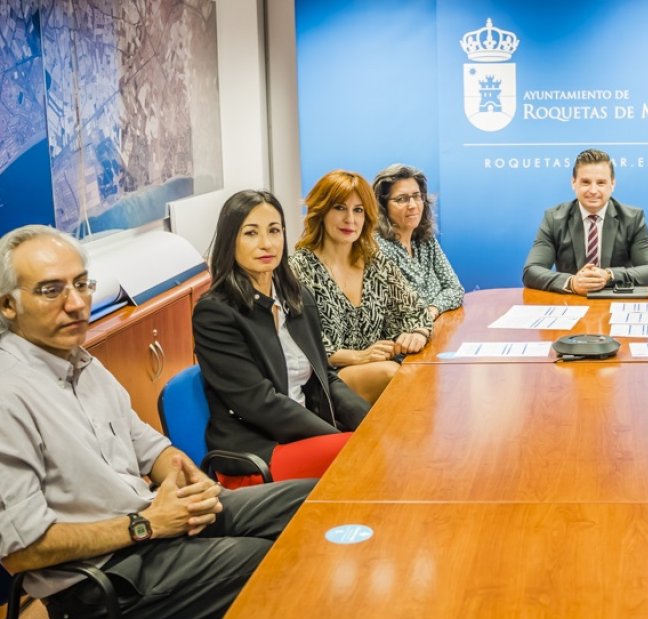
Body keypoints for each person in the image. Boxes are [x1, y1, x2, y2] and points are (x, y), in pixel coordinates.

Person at [0, 224, 313, 619]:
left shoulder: (81, 362)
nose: (76, 303)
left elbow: (152, 449)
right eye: (51, 290)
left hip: (152, 526)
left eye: (81, 284)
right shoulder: (9, 394)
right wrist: (146, 525)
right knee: (275, 557)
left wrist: (195, 487)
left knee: (314, 502)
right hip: (102, 582)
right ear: (8, 306)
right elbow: (21, 552)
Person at [193, 190, 370, 487]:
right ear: (230, 240)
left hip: (307, 435)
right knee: (364, 456)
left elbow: (324, 376)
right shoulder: (215, 313)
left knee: (384, 441)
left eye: (274, 231)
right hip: (259, 452)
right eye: (251, 233)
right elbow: (261, 403)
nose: (266, 243)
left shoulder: (295, 296)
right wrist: (337, 438)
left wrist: (371, 424)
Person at [291, 169, 434, 403]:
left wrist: (417, 333)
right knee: (392, 375)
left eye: (358, 210)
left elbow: (417, 312)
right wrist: (358, 357)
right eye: (339, 208)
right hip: (326, 379)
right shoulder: (300, 268)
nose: (351, 219)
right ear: (321, 211)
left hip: (376, 366)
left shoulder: (375, 261)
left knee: (420, 371)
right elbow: (301, 348)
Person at [522, 148, 648, 294]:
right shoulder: (554, 219)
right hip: (570, 304)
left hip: (617, 302)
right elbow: (531, 271)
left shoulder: (632, 218)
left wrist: (609, 275)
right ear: (573, 183)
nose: (593, 190)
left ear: (612, 184)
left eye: (601, 183)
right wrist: (572, 282)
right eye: (586, 182)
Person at [372, 163, 464, 321]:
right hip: (405, 339)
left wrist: (434, 308)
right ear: (383, 206)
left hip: (434, 330)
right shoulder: (378, 249)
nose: (413, 205)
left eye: (417, 196)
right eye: (402, 199)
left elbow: (455, 288)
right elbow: (407, 311)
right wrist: (432, 308)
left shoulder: (425, 240)